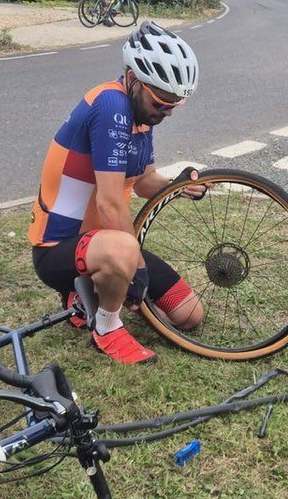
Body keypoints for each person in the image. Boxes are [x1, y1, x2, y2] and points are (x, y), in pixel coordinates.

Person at [28, 20, 205, 364]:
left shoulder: (141, 114)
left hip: (104, 243)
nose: (167, 112)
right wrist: (136, 267)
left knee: (189, 314)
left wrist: (180, 184)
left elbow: (143, 183)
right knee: (126, 250)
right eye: (161, 102)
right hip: (58, 248)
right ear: (134, 79)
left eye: (175, 104)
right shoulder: (110, 105)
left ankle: (91, 294)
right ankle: (106, 325)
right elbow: (109, 203)